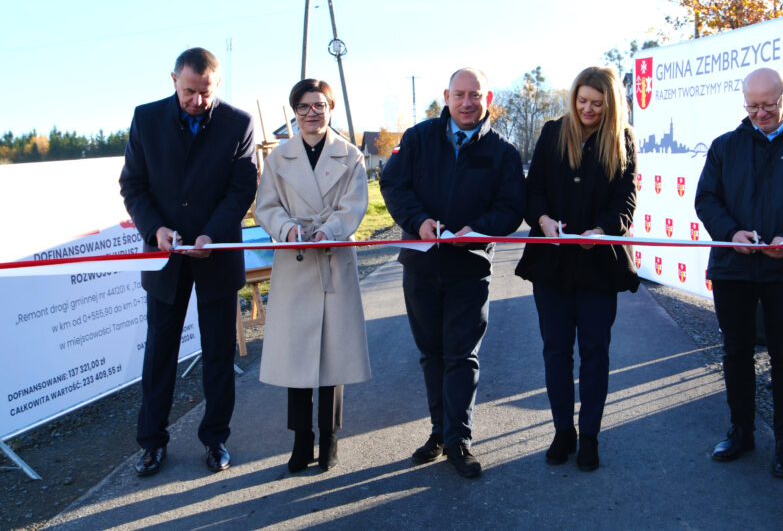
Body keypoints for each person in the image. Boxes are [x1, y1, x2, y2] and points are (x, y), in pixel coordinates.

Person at [380, 67, 525, 479]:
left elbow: (511, 208)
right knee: (432, 354)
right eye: (459, 94)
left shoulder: (503, 152)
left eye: (474, 95)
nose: (466, 102)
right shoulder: (418, 138)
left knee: (462, 356)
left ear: (487, 98)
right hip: (421, 265)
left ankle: (459, 439)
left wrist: (477, 230)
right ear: (446, 97)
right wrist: (418, 220)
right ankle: (439, 432)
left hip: (470, 268)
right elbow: (394, 186)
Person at [119, 47, 257, 476]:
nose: (197, 100)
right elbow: (133, 186)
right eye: (189, 91)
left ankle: (215, 440)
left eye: (205, 92)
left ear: (217, 84)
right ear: (173, 80)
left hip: (216, 254)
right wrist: (154, 230)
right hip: (165, 257)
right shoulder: (145, 119)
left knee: (218, 352)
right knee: (159, 352)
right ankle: (151, 443)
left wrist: (212, 234)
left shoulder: (238, 123)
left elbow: (241, 189)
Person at [694, 66, 783, 478]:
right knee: (736, 351)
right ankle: (741, 431)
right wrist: (730, 233)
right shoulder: (724, 146)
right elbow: (706, 199)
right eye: (752, 107)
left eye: (768, 105)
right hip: (733, 267)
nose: (760, 114)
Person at [514, 66, 638, 471]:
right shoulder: (553, 132)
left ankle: (590, 437)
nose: (588, 109)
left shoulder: (623, 139)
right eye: (582, 100)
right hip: (552, 265)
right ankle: (562, 431)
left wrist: (602, 230)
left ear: (611, 104)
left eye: (597, 103)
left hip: (599, 266)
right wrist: (543, 220)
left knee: (595, 353)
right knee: (556, 351)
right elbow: (533, 190)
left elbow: (626, 200)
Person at [254, 78, 371, 474]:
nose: (311, 113)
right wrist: (287, 229)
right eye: (303, 106)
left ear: (330, 108)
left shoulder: (350, 155)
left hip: (333, 260)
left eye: (319, 105)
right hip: (295, 260)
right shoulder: (278, 158)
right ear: (294, 112)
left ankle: (330, 438)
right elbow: (266, 206)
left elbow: (355, 204)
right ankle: (301, 440)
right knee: (296, 357)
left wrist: (330, 230)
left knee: (333, 356)